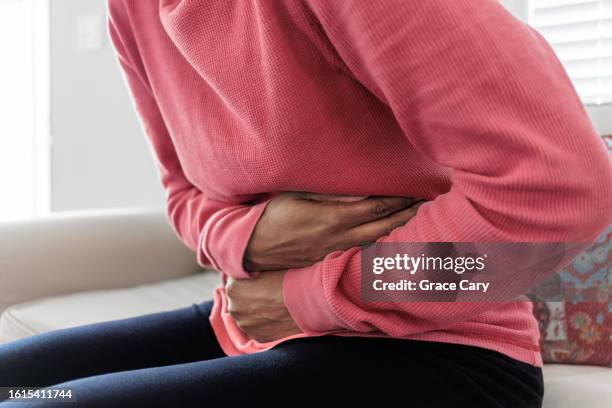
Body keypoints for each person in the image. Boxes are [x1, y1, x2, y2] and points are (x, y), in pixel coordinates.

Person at [1, 1, 610, 406]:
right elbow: (182, 195)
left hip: (441, 356)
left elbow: (563, 192)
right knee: (16, 386)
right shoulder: (131, 10)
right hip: (247, 325)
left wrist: (311, 296)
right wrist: (250, 237)